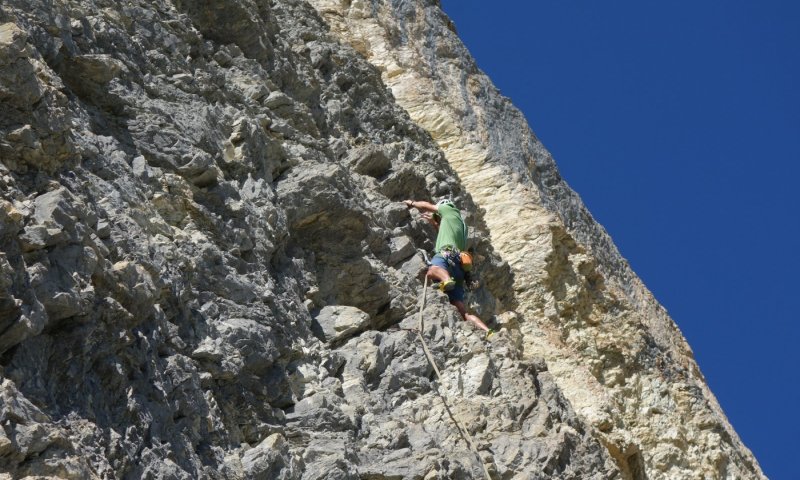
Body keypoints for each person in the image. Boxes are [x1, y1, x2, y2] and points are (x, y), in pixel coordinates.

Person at [404, 198, 494, 337]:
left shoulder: (449, 208)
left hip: (447, 253)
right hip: (460, 267)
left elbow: (428, 206)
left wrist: (411, 203)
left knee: (432, 270)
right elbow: (446, 232)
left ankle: (445, 279)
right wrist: (434, 223)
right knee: (462, 312)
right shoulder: (460, 224)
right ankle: (487, 331)